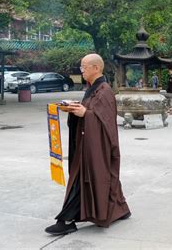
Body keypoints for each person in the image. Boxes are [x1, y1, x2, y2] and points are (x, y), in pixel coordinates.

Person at [45, 54, 130, 236]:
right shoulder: (92, 88)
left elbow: (106, 122)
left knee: (83, 179)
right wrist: (75, 109)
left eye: (84, 67)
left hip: (96, 146)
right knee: (100, 176)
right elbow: (91, 111)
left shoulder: (105, 90)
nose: (81, 70)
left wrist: (86, 114)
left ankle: (66, 220)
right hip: (87, 143)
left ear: (96, 68)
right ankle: (121, 208)